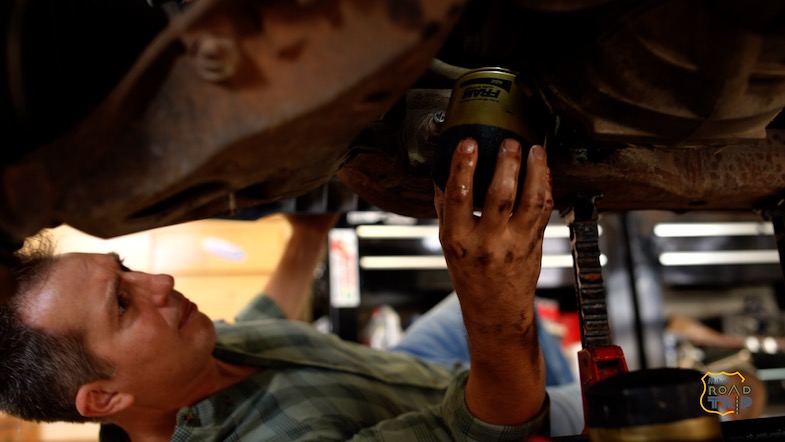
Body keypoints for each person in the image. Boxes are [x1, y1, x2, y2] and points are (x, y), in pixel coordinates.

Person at [0, 138, 568, 440]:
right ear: (103, 399)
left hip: (403, 372)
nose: (160, 281)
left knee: (517, 318)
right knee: (536, 356)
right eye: (122, 303)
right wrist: (493, 307)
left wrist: (307, 233)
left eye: (125, 267)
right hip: (462, 411)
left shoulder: (186, 361)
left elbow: (266, 312)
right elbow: (479, 430)